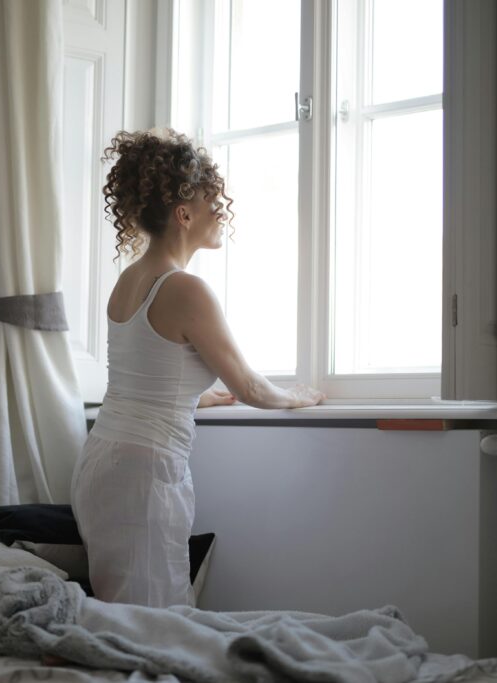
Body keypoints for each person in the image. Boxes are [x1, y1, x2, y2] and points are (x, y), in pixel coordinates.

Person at [71, 128, 325, 608]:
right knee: (155, 623)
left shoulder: (130, 279)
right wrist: (297, 396)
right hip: (142, 474)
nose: (222, 213)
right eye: (215, 204)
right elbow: (249, 385)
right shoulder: (186, 289)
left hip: (101, 461)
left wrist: (197, 395)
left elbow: (142, 375)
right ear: (183, 213)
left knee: (124, 616)